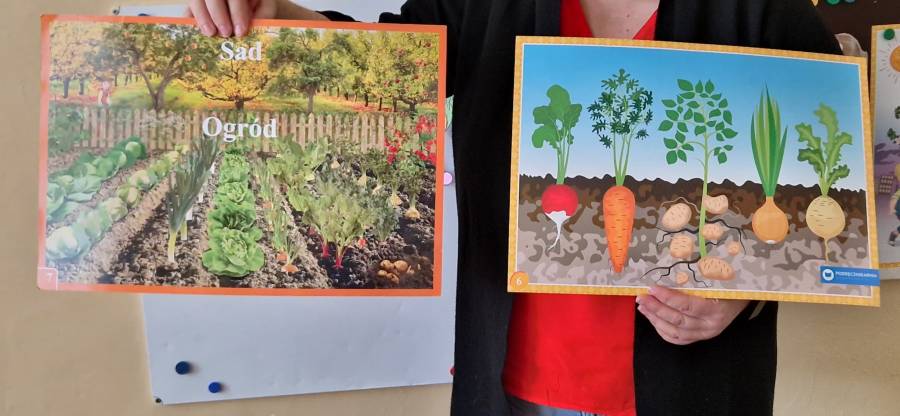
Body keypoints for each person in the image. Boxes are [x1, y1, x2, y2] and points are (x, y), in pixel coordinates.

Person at [186, 1, 841, 414]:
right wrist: (271, 12)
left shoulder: (763, 10)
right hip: (518, 382)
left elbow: (827, 195)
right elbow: (385, 63)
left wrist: (746, 293)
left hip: (690, 385)